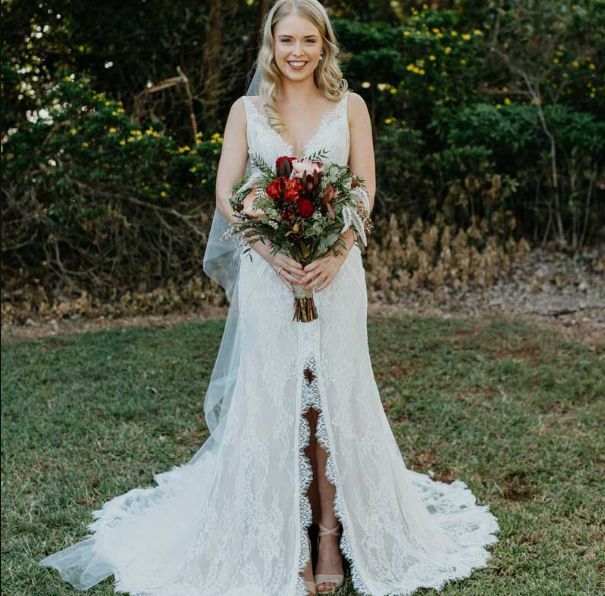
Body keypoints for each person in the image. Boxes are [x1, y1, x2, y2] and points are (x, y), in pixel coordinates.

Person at [39, 1, 500, 594]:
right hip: (269, 274)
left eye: (310, 40)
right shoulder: (247, 110)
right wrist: (266, 248)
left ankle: (331, 531)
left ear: (325, 44)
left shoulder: (351, 106)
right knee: (278, 398)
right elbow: (228, 193)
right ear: (270, 43)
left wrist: (335, 254)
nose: (298, 51)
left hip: (336, 276)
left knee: (334, 394)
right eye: (287, 40)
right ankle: (286, 543)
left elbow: (364, 190)